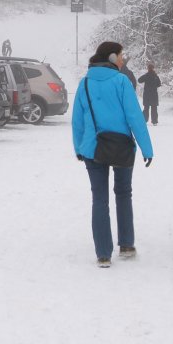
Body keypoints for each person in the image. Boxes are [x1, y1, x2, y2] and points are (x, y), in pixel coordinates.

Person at [71, 40, 154, 267]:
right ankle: (126, 244)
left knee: (99, 198)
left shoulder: (85, 83)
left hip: (92, 148)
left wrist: (78, 147)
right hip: (122, 148)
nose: (122, 59)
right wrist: (147, 148)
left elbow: (77, 120)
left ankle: (103, 254)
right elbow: (134, 117)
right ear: (111, 58)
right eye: (120, 55)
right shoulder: (121, 82)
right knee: (123, 193)